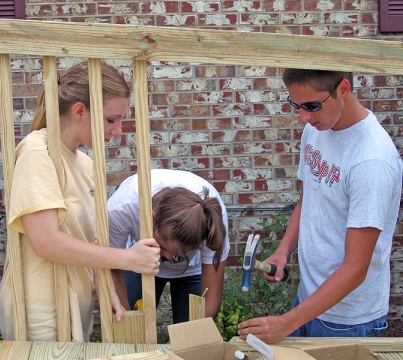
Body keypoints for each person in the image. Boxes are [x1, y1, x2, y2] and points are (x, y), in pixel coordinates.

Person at [0, 62, 161, 342]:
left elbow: (90, 243)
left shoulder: (86, 164)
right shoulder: (38, 153)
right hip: (40, 313)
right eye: (112, 119)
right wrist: (128, 259)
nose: (118, 130)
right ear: (79, 111)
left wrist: (106, 287)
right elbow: (46, 241)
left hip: (75, 310)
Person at [238, 69, 402, 343]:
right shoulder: (317, 129)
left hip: (347, 321)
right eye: (297, 106)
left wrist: (285, 323)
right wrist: (283, 251)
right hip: (309, 301)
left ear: (343, 89)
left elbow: (355, 269)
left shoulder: (371, 162)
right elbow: (310, 197)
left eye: (312, 106)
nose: (304, 117)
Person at [108, 169, 230, 324]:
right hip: (138, 263)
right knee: (129, 325)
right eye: (162, 246)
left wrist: (193, 334)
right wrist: (129, 323)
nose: (167, 257)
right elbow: (112, 265)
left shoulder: (210, 219)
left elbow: (211, 296)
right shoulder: (123, 207)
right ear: (153, 217)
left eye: (178, 252)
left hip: (192, 270)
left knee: (192, 331)